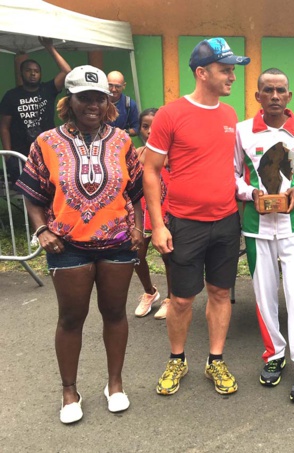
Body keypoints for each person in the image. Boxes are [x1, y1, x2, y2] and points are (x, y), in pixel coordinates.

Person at [15, 65, 144, 424]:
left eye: (99, 98)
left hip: (117, 242)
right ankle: (69, 390)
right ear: (68, 102)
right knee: (71, 318)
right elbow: (33, 192)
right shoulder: (46, 142)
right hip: (67, 245)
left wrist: (139, 228)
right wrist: (42, 230)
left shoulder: (121, 141)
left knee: (115, 313)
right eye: (84, 97)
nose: (92, 104)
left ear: (108, 102)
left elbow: (135, 192)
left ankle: (114, 384)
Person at [144, 37, 249, 396]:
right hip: (184, 223)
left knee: (220, 292)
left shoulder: (230, 114)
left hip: (225, 221)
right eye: (225, 70)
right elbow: (151, 171)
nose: (232, 77)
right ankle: (177, 359)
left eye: (233, 70)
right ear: (202, 73)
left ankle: (215, 360)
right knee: (183, 299)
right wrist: (158, 225)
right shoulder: (170, 114)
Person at [234, 68, 294, 402]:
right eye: (268, 90)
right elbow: (232, 175)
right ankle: (274, 354)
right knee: (264, 294)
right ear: (258, 96)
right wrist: (249, 193)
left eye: (281, 90)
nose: (275, 96)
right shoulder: (243, 131)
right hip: (256, 225)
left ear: (289, 96)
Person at [0, 37, 71, 183]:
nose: (33, 74)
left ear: (40, 74)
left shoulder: (47, 90)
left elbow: (67, 71)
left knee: (50, 188)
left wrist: (49, 47)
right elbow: (4, 127)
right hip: (21, 155)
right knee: (27, 194)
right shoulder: (11, 96)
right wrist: (8, 155)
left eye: (36, 71)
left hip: (47, 151)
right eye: (28, 71)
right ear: (22, 74)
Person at [132, 108, 172, 319]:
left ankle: (171, 298)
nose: (149, 131)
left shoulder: (171, 154)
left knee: (168, 257)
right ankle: (150, 291)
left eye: (154, 126)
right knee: (136, 255)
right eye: (145, 126)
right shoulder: (136, 154)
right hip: (141, 215)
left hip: (164, 215)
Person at [106, 71, 140, 137]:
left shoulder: (129, 104)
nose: (113, 89)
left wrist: (123, 132)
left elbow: (136, 128)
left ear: (124, 86)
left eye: (117, 86)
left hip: (121, 143)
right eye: (110, 85)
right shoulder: (98, 103)